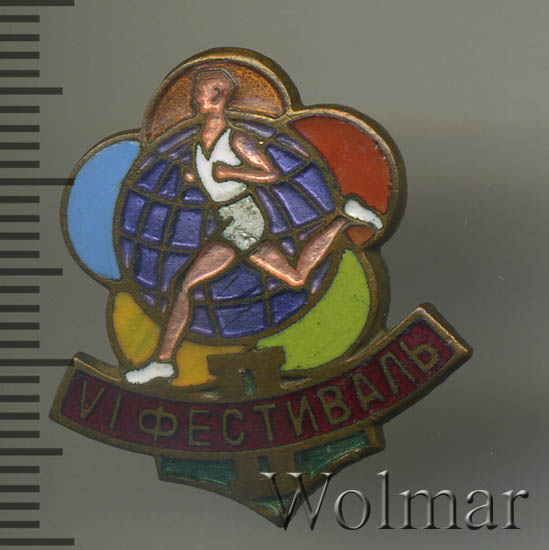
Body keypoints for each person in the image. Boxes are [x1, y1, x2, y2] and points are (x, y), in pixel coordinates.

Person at [125, 68, 382, 384]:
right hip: (230, 217)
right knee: (296, 277)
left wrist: (232, 173)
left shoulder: (236, 138)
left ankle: (164, 362)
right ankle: (344, 218)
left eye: (202, 91)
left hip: (244, 219)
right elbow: (214, 178)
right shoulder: (200, 142)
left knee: (186, 286)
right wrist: (198, 178)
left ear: (219, 96)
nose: (195, 97)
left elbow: (269, 173)